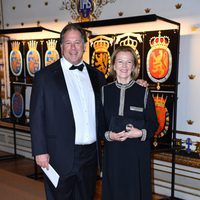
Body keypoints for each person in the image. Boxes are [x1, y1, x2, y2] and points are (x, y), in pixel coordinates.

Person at [30, 23, 106, 200]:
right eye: (68, 43)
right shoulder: (45, 77)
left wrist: (136, 86)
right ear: (61, 46)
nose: (73, 48)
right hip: (58, 154)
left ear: (84, 46)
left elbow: (110, 104)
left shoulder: (98, 76)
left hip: (90, 156)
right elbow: (37, 116)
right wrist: (40, 151)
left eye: (77, 42)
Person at [101, 46, 158, 200]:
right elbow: (99, 124)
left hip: (136, 155)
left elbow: (153, 123)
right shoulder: (104, 92)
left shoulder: (143, 91)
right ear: (113, 65)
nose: (124, 66)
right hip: (113, 154)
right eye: (120, 62)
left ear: (134, 66)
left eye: (128, 62)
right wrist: (109, 135)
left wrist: (140, 133)